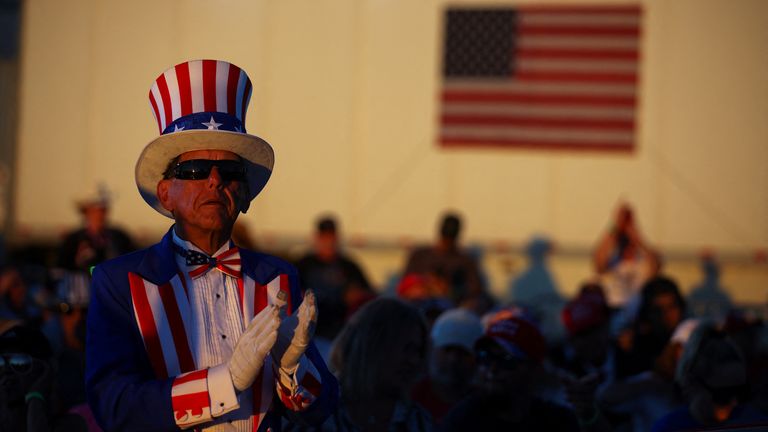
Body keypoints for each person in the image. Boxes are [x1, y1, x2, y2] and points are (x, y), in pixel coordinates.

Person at [85, 60, 338, 431]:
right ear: (165, 193)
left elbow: (323, 407)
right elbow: (114, 406)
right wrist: (225, 382)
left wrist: (293, 369)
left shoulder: (278, 279)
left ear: (246, 194)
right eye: (195, 170)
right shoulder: (120, 282)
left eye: (231, 172)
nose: (215, 181)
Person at [442, 314, 580, 431]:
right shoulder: (461, 421)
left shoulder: (558, 422)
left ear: (535, 369)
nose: (492, 369)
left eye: (506, 359)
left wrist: (590, 415)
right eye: (485, 357)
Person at [314, 297, 431, 432]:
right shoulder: (314, 411)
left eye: (418, 351)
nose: (414, 360)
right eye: (406, 349)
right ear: (372, 345)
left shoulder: (418, 422)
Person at [295, 215, 374, 343]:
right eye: (324, 237)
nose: (328, 242)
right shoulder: (304, 265)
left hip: (340, 332)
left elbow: (368, 295)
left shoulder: (349, 266)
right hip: (308, 333)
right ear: (316, 238)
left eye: (331, 237)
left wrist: (356, 297)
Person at [411, 308, 483, 426]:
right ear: (432, 349)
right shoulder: (411, 398)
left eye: (462, 352)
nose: (453, 359)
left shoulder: (484, 405)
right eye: (447, 349)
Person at [403, 212, 484, 309]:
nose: (446, 244)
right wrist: (425, 286)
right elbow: (405, 285)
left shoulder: (465, 261)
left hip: (451, 307)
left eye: (448, 240)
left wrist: (449, 291)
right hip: (418, 306)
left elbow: (474, 291)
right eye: (445, 240)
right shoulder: (419, 256)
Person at [593, 203, 659, 308]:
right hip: (613, 308)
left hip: (638, 311)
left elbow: (656, 265)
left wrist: (634, 233)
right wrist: (615, 225)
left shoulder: (643, 261)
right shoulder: (613, 260)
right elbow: (598, 261)